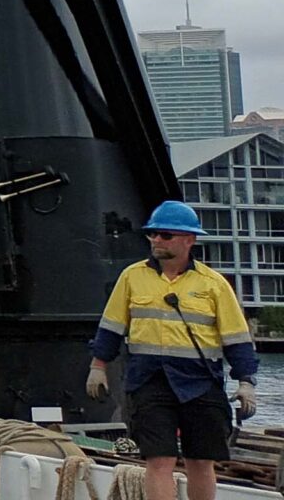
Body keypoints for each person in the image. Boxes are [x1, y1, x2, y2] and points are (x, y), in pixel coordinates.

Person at [87, 200, 258, 500]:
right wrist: (97, 366)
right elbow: (111, 327)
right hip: (149, 381)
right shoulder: (132, 277)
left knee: (201, 461)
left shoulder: (213, 284)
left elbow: (237, 338)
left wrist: (246, 383)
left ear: (188, 239)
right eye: (152, 234)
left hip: (200, 383)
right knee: (159, 459)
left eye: (165, 235)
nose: (156, 240)